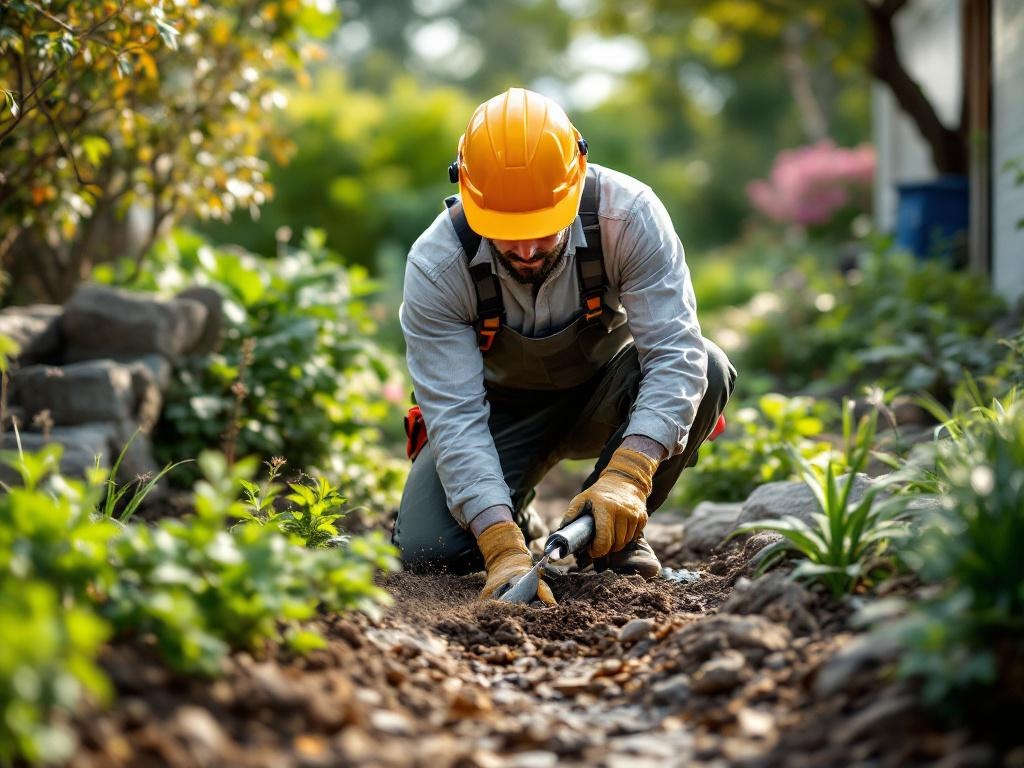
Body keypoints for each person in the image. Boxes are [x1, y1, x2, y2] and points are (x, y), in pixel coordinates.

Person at [394, 87, 736, 605]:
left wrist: (629, 475)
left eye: (543, 227)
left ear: (575, 184)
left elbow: (673, 353)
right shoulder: (436, 266)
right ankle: (515, 512)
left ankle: (613, 540)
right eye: (507, 232)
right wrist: (498, 542)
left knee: (707, 366)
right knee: (429, 548)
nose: (527, 249)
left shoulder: (629, 217)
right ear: (467, 194)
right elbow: (457, 420)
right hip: (499, 413)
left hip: (607, 394)